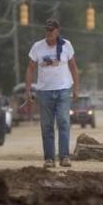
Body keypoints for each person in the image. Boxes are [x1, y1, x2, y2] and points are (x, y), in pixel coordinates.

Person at [25, 19, 79, 168]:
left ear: (57, 31)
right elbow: (30, 68)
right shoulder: (37, 47)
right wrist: (28, 89)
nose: (49, 33)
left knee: (63, 122)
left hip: (63, 89)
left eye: (51, 30)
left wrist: (76, 88)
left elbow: (73, 67)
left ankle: (64, 157)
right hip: (44, 92)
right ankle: (49, 158)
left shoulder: (66, 45)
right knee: (47, 125)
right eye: (47, 30)